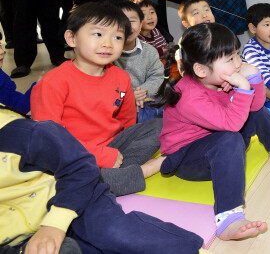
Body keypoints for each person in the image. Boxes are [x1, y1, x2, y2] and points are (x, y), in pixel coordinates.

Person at [156, 23, 270, 240]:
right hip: (188, 161)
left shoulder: (218, 79)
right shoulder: (189, 97)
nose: (239, 63)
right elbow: (232, 127)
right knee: (230, 137)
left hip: (221, 145)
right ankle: (228, 219)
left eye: (237, 55)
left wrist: (253, 76)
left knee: (253, 111)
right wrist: (243, 88)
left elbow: (255, 108)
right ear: (200, 69)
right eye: (230, 59)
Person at [0, 106, 209, 254]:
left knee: (116, 235)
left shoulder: (16, 132)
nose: (107, 44)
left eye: (117, 38)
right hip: (22, 237)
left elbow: (79, 163)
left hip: (73, 193)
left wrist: (54, 224)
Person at [31, 2, 166, 196]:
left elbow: (127, 122)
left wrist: (114, 152)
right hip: (72, 153)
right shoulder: (54, 82)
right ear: (71, 38)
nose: (108, 43)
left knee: (160, 126)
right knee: (64, 178)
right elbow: (49, 140)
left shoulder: (121, 77)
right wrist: (100, 156)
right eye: (98, 34)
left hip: (112, 148)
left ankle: (112, 175)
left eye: (117, 37)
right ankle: (136, 173)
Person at [112, 0, 164, 123]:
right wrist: (129, 97)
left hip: (145, 97)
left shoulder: (149, 51)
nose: (126, 26)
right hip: (119, 100)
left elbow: (157, 77)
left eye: (131, 21)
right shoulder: (108, 53)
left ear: (140, 25)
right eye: (121, 21)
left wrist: (141, 93)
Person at [0, 31, 39, 115]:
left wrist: (36, 88)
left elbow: (17, 106)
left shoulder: (2, 78)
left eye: (0, 45)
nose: (2, 52)